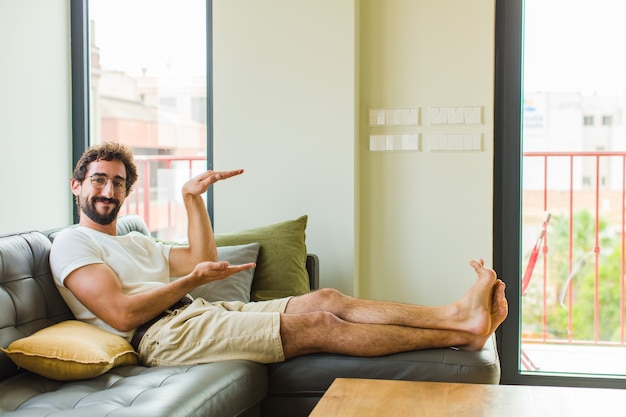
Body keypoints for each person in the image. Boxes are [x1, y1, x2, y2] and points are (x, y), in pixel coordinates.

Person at [50, 142, 508, 366]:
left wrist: (193, 200)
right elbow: (123, 312)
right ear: (77, 186)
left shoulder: (133, 239)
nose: (108, 190)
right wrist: (190, 282)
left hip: (195, 311)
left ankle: (455, 316)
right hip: (160, 337)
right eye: (98, 180)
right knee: (321, 324)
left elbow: (199, 259)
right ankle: (458, 333)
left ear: (128, 191)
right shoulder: (73, 242)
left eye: (117, 182)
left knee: (328, 298)